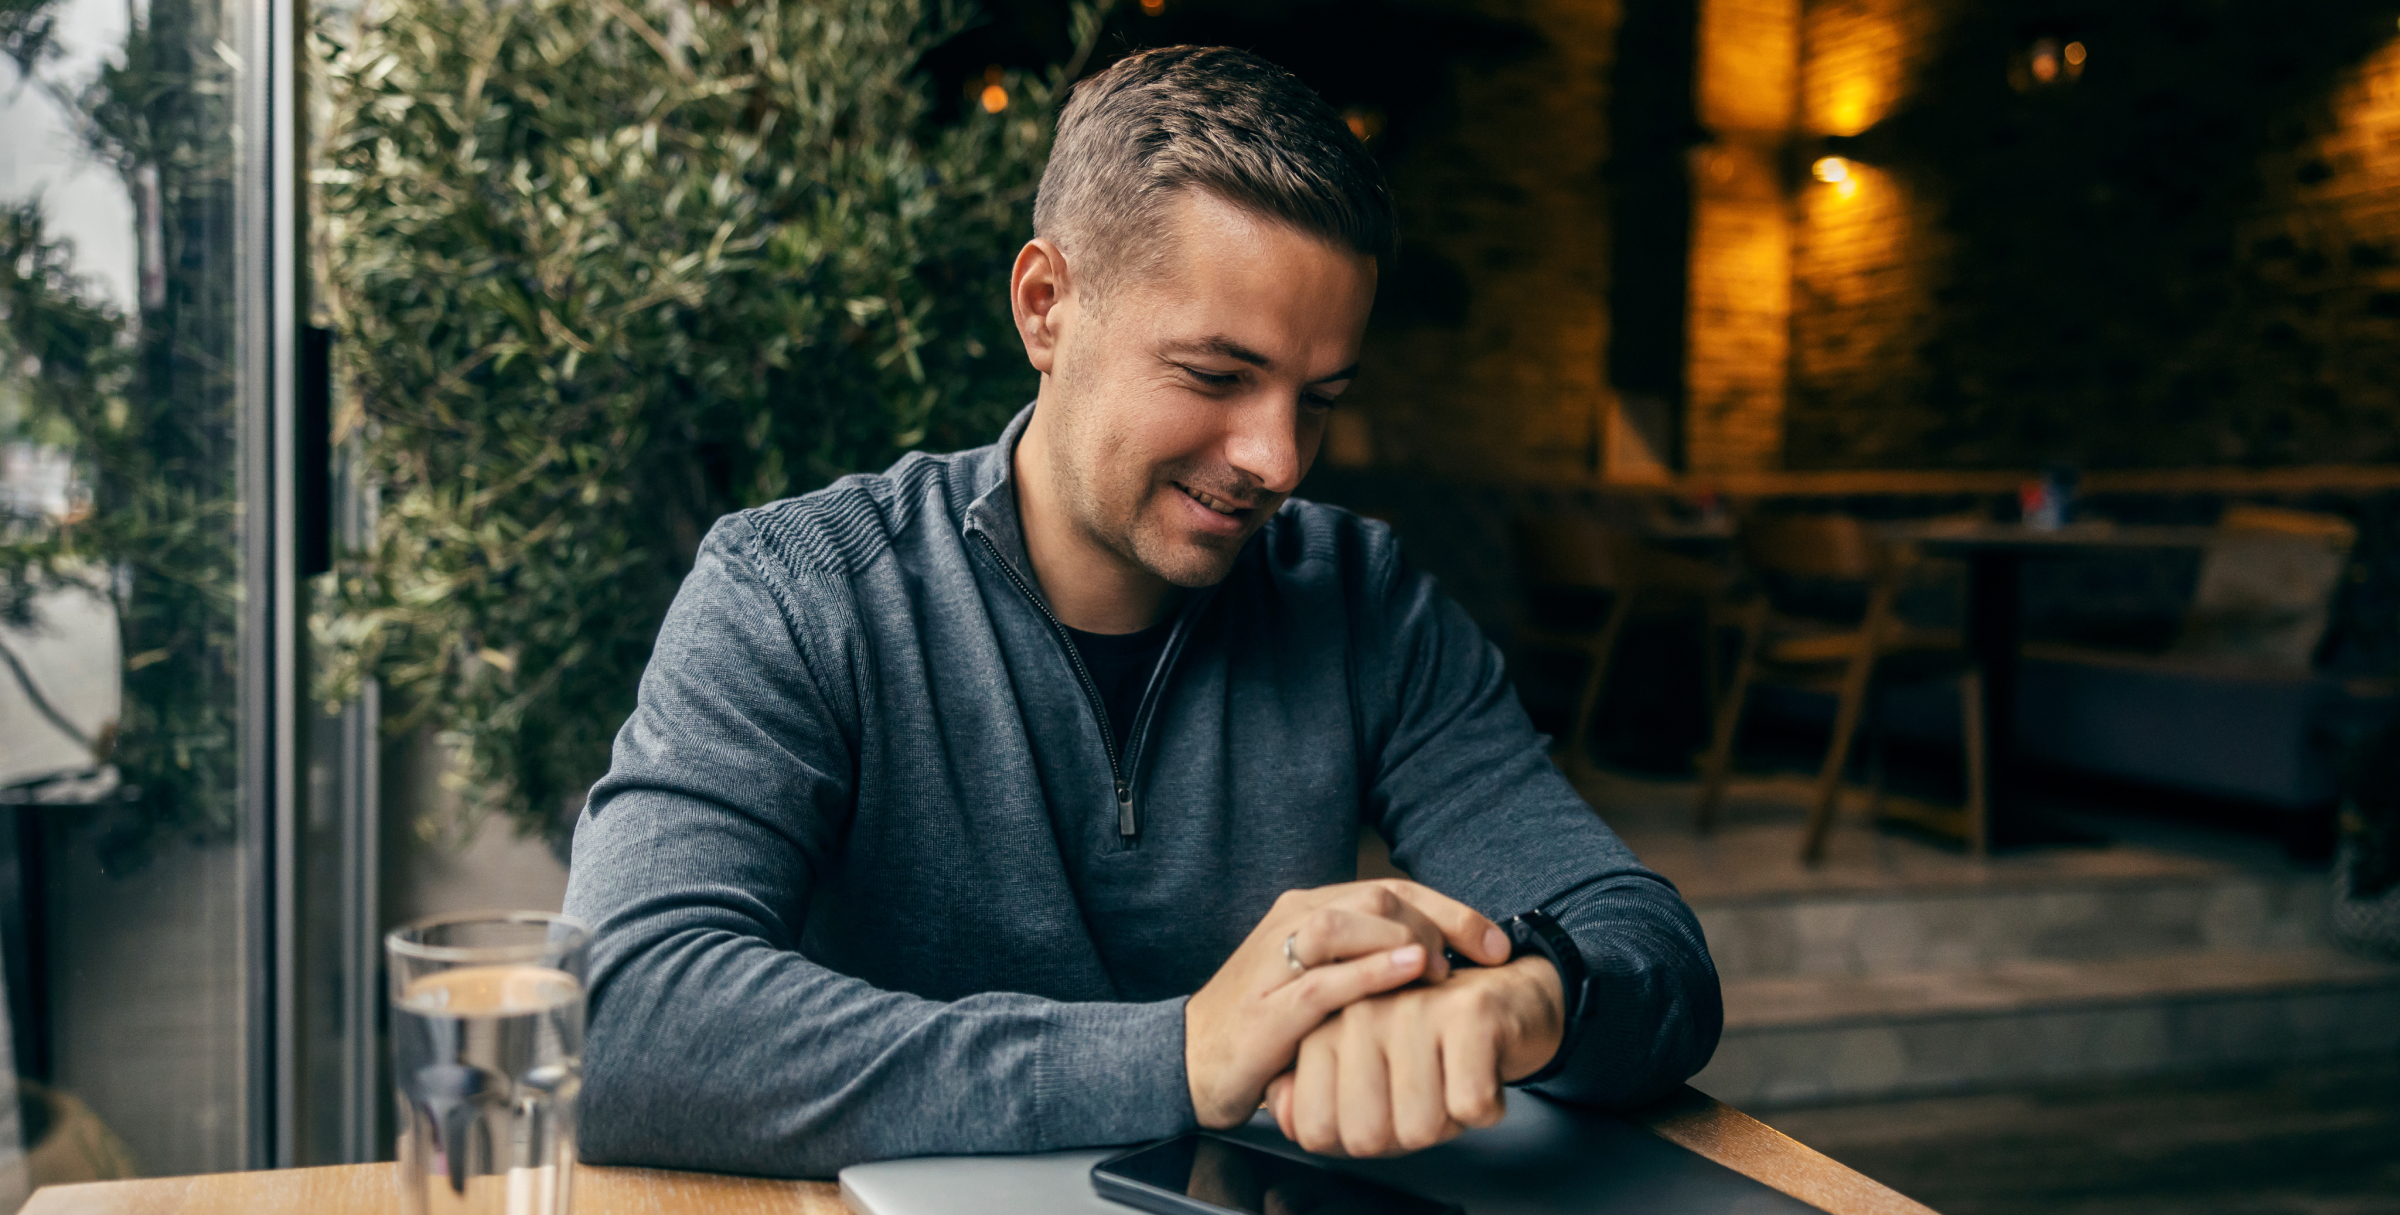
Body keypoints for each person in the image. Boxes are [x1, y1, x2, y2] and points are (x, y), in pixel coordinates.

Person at [563, 44, 1721, 1178]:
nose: (1277, 460)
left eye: (1318, 398)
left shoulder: (1362, 602)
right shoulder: (798, 589)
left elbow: (1647, 948)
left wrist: (1534, 999)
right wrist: (1179, 1055)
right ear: (1046, 307)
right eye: (1216, 376)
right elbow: (615, 1024)